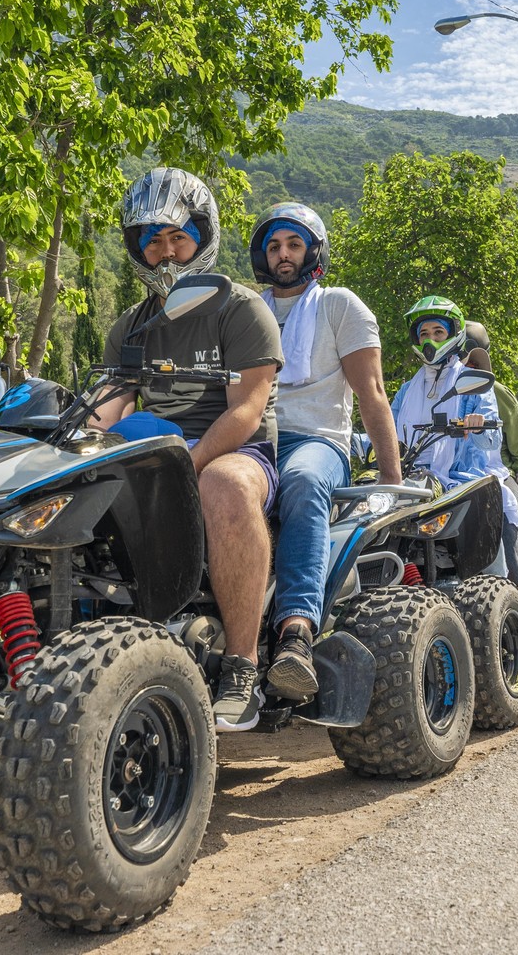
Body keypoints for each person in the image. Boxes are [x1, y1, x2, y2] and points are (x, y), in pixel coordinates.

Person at [93, 167, 283, 732]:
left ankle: (242, 667)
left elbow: (247, 411)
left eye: (178, 237)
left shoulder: (240, 308)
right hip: (156, 449)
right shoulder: (131, 326)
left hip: (236, 453)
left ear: (204, 237)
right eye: (152, 241)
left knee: (221, 484)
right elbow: (108, 406)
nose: (167, 253)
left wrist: (187, 466)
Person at [249, 202, 401, 702]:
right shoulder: (247, 310)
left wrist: (392, 480)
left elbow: (372, 393)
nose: (283, 254)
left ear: (313, 251)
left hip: (317, 442)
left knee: (303, 481)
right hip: (253, 438)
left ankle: (295, 634)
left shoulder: (340, 306)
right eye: (274, 246)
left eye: (293, 244)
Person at [390, 298, 518, 621]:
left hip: (467, 473)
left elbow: (492, 440)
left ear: (453, 335)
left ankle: (512, 593)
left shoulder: (474, 383)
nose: (430, 340)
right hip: (415, 476)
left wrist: (478, 425)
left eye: (438, 332)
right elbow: (388, 431)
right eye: (424, 333)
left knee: (497, 497)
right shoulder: (405, 390)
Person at [460, 321, 518, 604]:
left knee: (503, 504)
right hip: (452, 473)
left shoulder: (496, 392)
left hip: (498, 470)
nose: (464, 365)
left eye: (471, 360)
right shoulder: (428, 390)